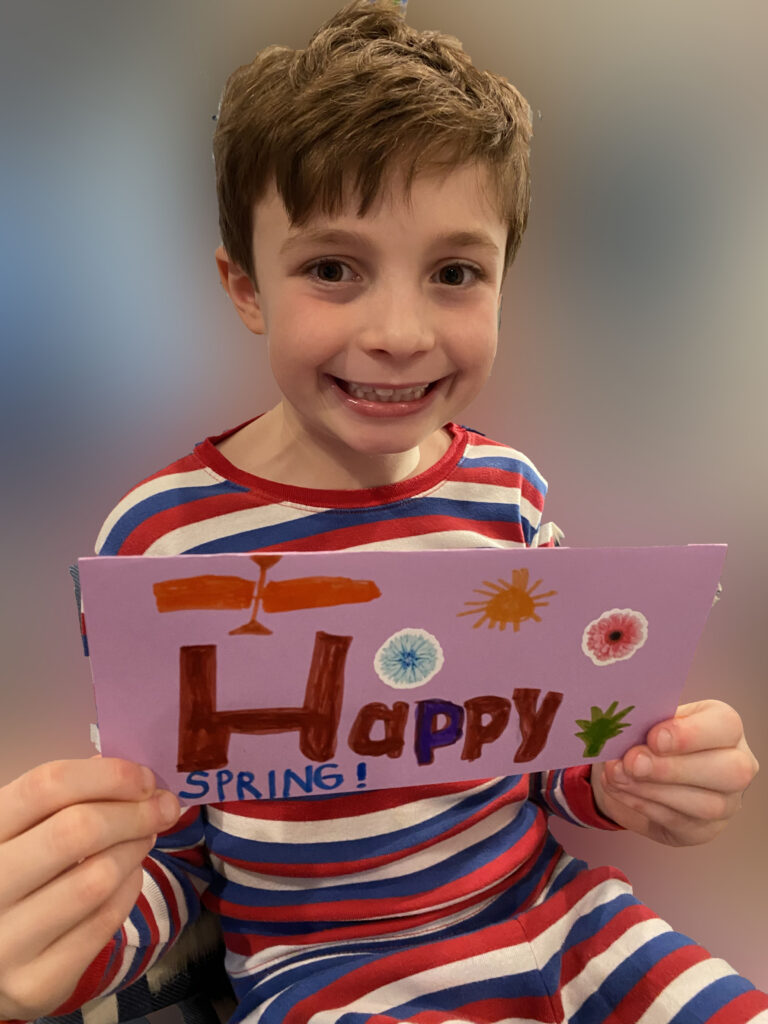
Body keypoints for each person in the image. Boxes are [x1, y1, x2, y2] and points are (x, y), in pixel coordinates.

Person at [0, 3, 764, 1022]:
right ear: (244, 288)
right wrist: (81, 927)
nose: (400, 331)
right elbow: (170, 851)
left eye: (454, 273)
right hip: (331, 976)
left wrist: (638, 777)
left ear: (504, 285)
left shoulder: (509, 493)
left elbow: (544, 763)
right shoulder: (160, 541)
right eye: (333, 269)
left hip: (561, 918)